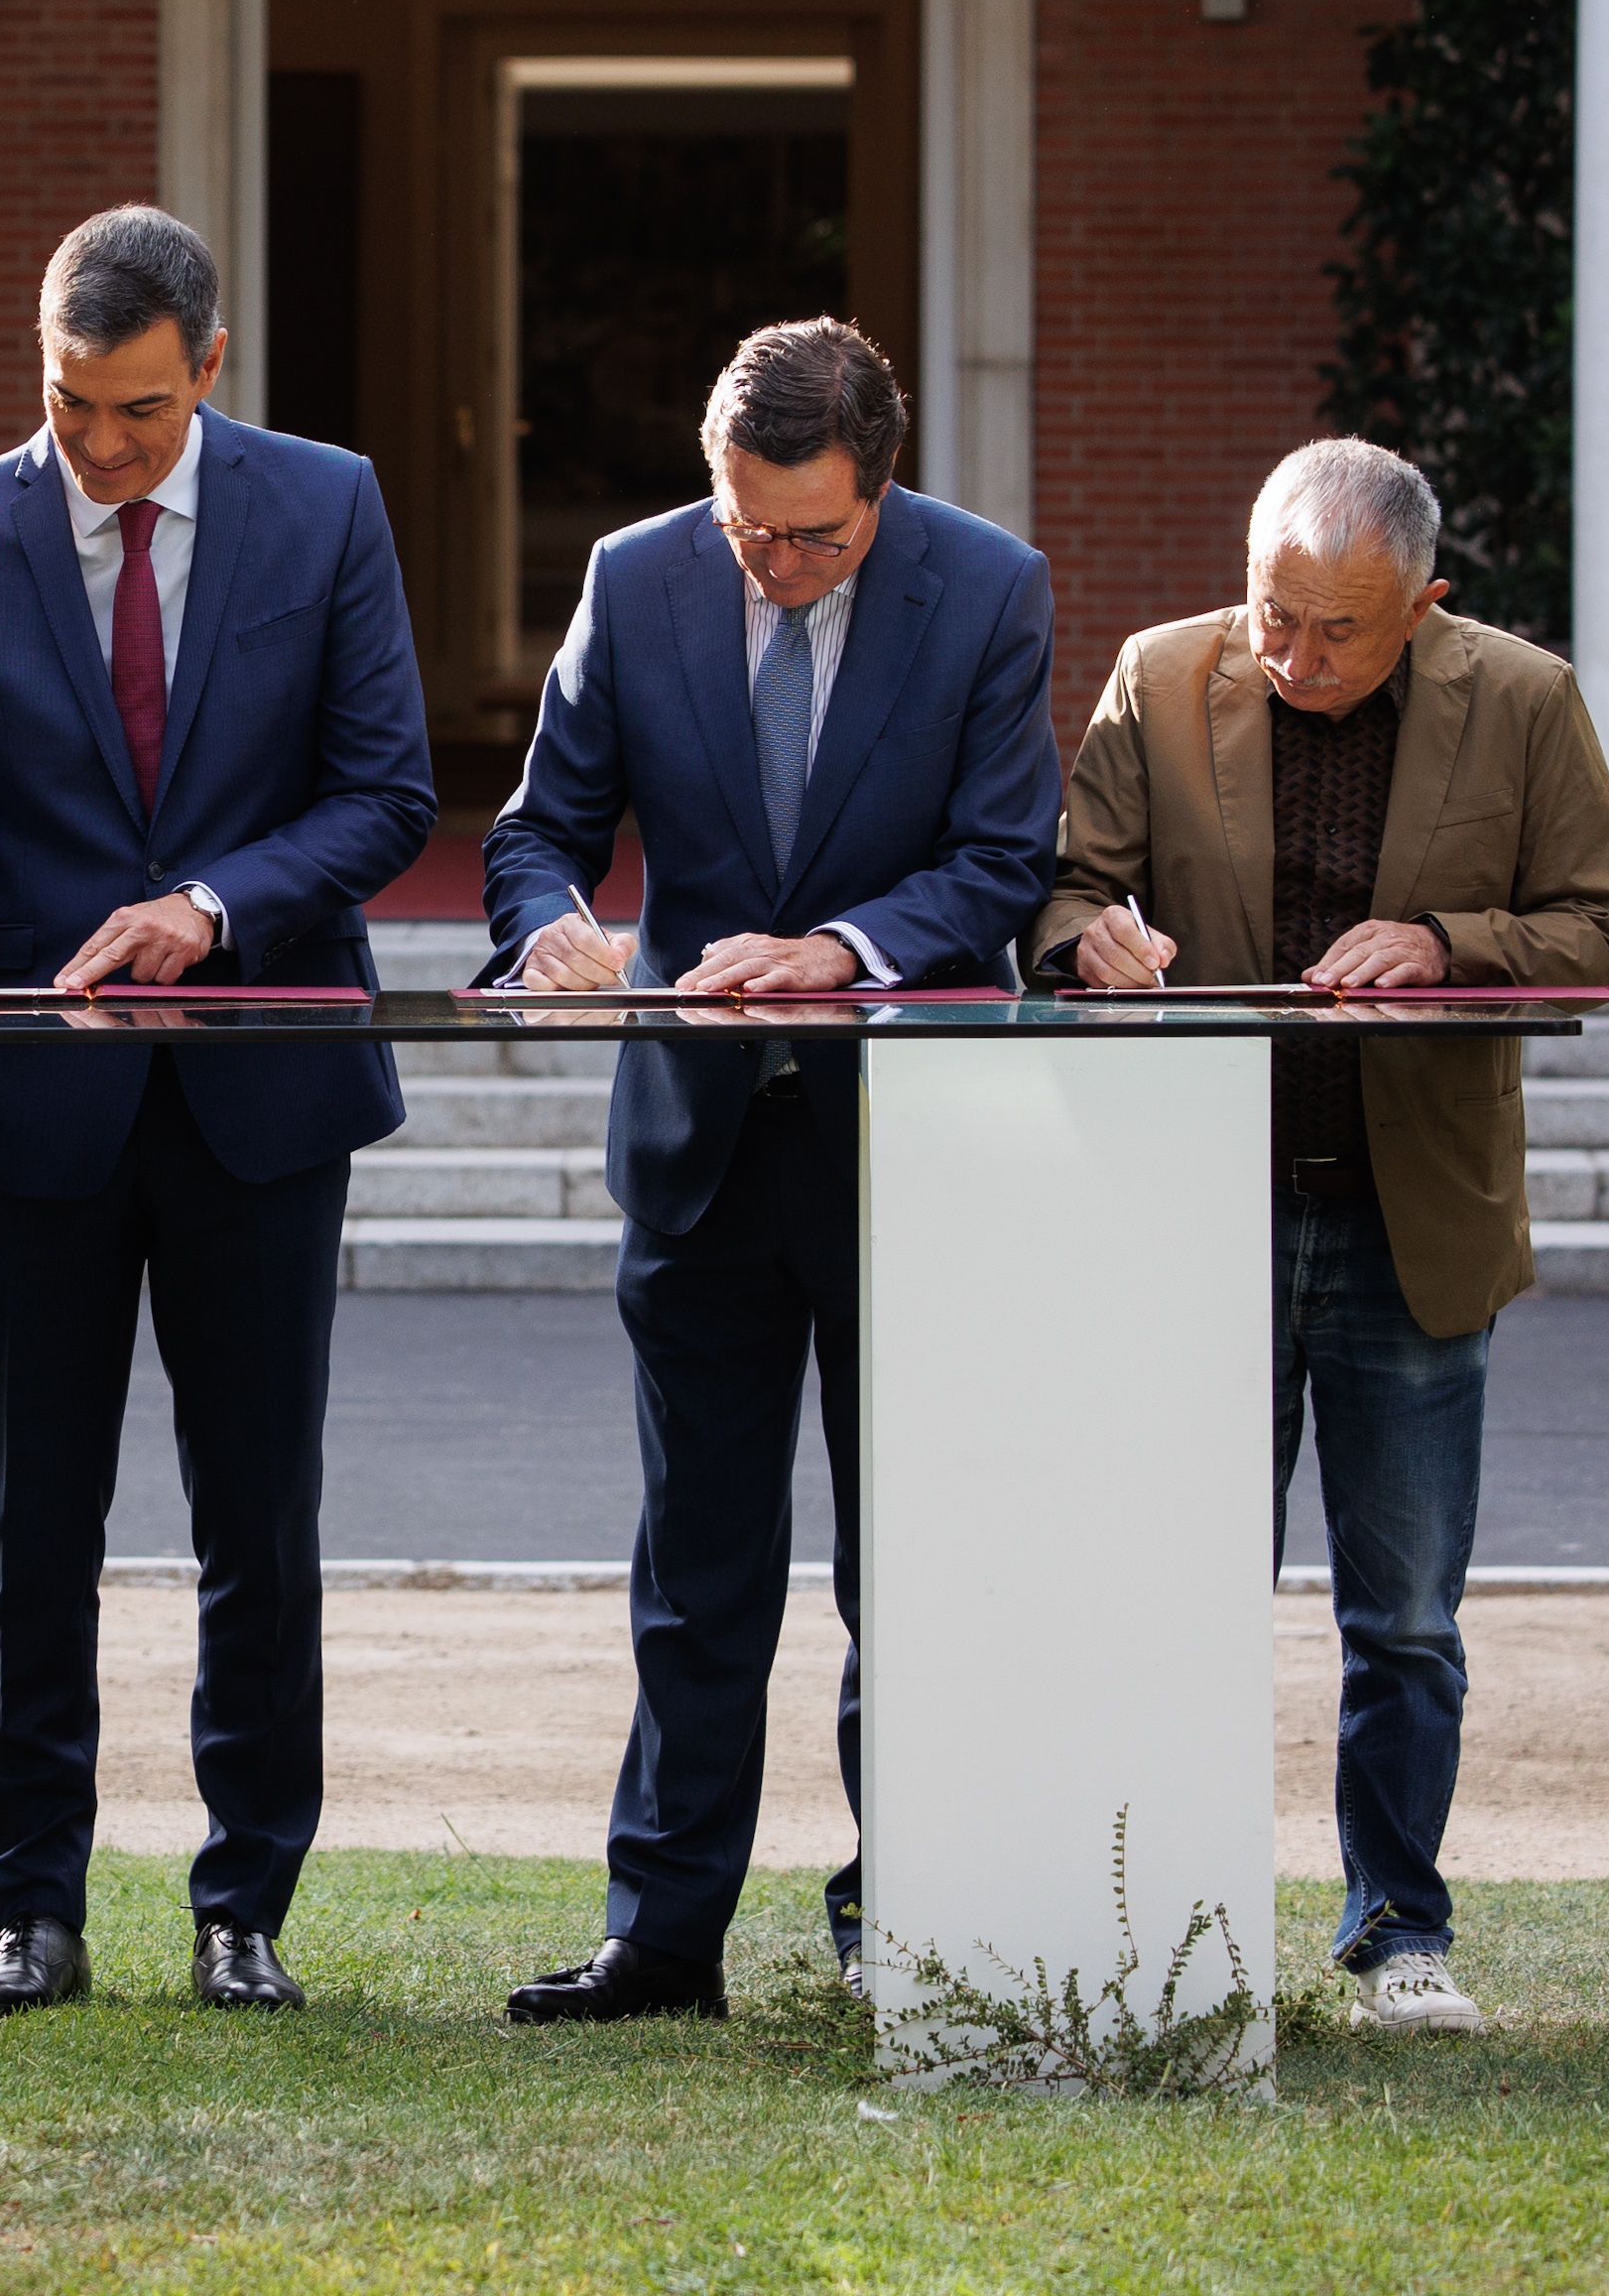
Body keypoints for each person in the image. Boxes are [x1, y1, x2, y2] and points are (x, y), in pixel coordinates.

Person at [0, 205, 435, 2015]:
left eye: (137, 412)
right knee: (37, 1520)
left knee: (259, 1517)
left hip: (263, 1086)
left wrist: (216, 901)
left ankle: (243, 1901)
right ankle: (32, 1904)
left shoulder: (327, 505)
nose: (101, 447)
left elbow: (386, 792)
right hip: (39, 1087)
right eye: (68, 405)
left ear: (209, 366)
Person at [1029, 437, 1609, 2033]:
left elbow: (1603, 930)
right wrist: (1089, 935)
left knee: (1408, 1616)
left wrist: (1448, 944)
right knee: (1178, 1590)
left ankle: (1399, 1935)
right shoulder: (1160, 679)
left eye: (1335, 634)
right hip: (1192, 1212)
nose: (1290, 658)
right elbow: (1059, 888)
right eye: (1269, 617)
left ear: (1426, 607)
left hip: (1406, 1222)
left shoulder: (1521, 698)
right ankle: (1167, 1921)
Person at [486, 317, 1056, 2025]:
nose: (779, 560)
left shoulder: (991, 588)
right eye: (749, 524)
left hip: (911, 1149)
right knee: (698, 1563)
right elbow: (535, 830)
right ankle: (662, 1938)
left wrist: (846, 948)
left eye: (815, 531)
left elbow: (1005, 859)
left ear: (881, 489)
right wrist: (554, 930)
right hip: (700, 1147)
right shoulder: (638, 578)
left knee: (914, 1562)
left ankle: (910, 1911)